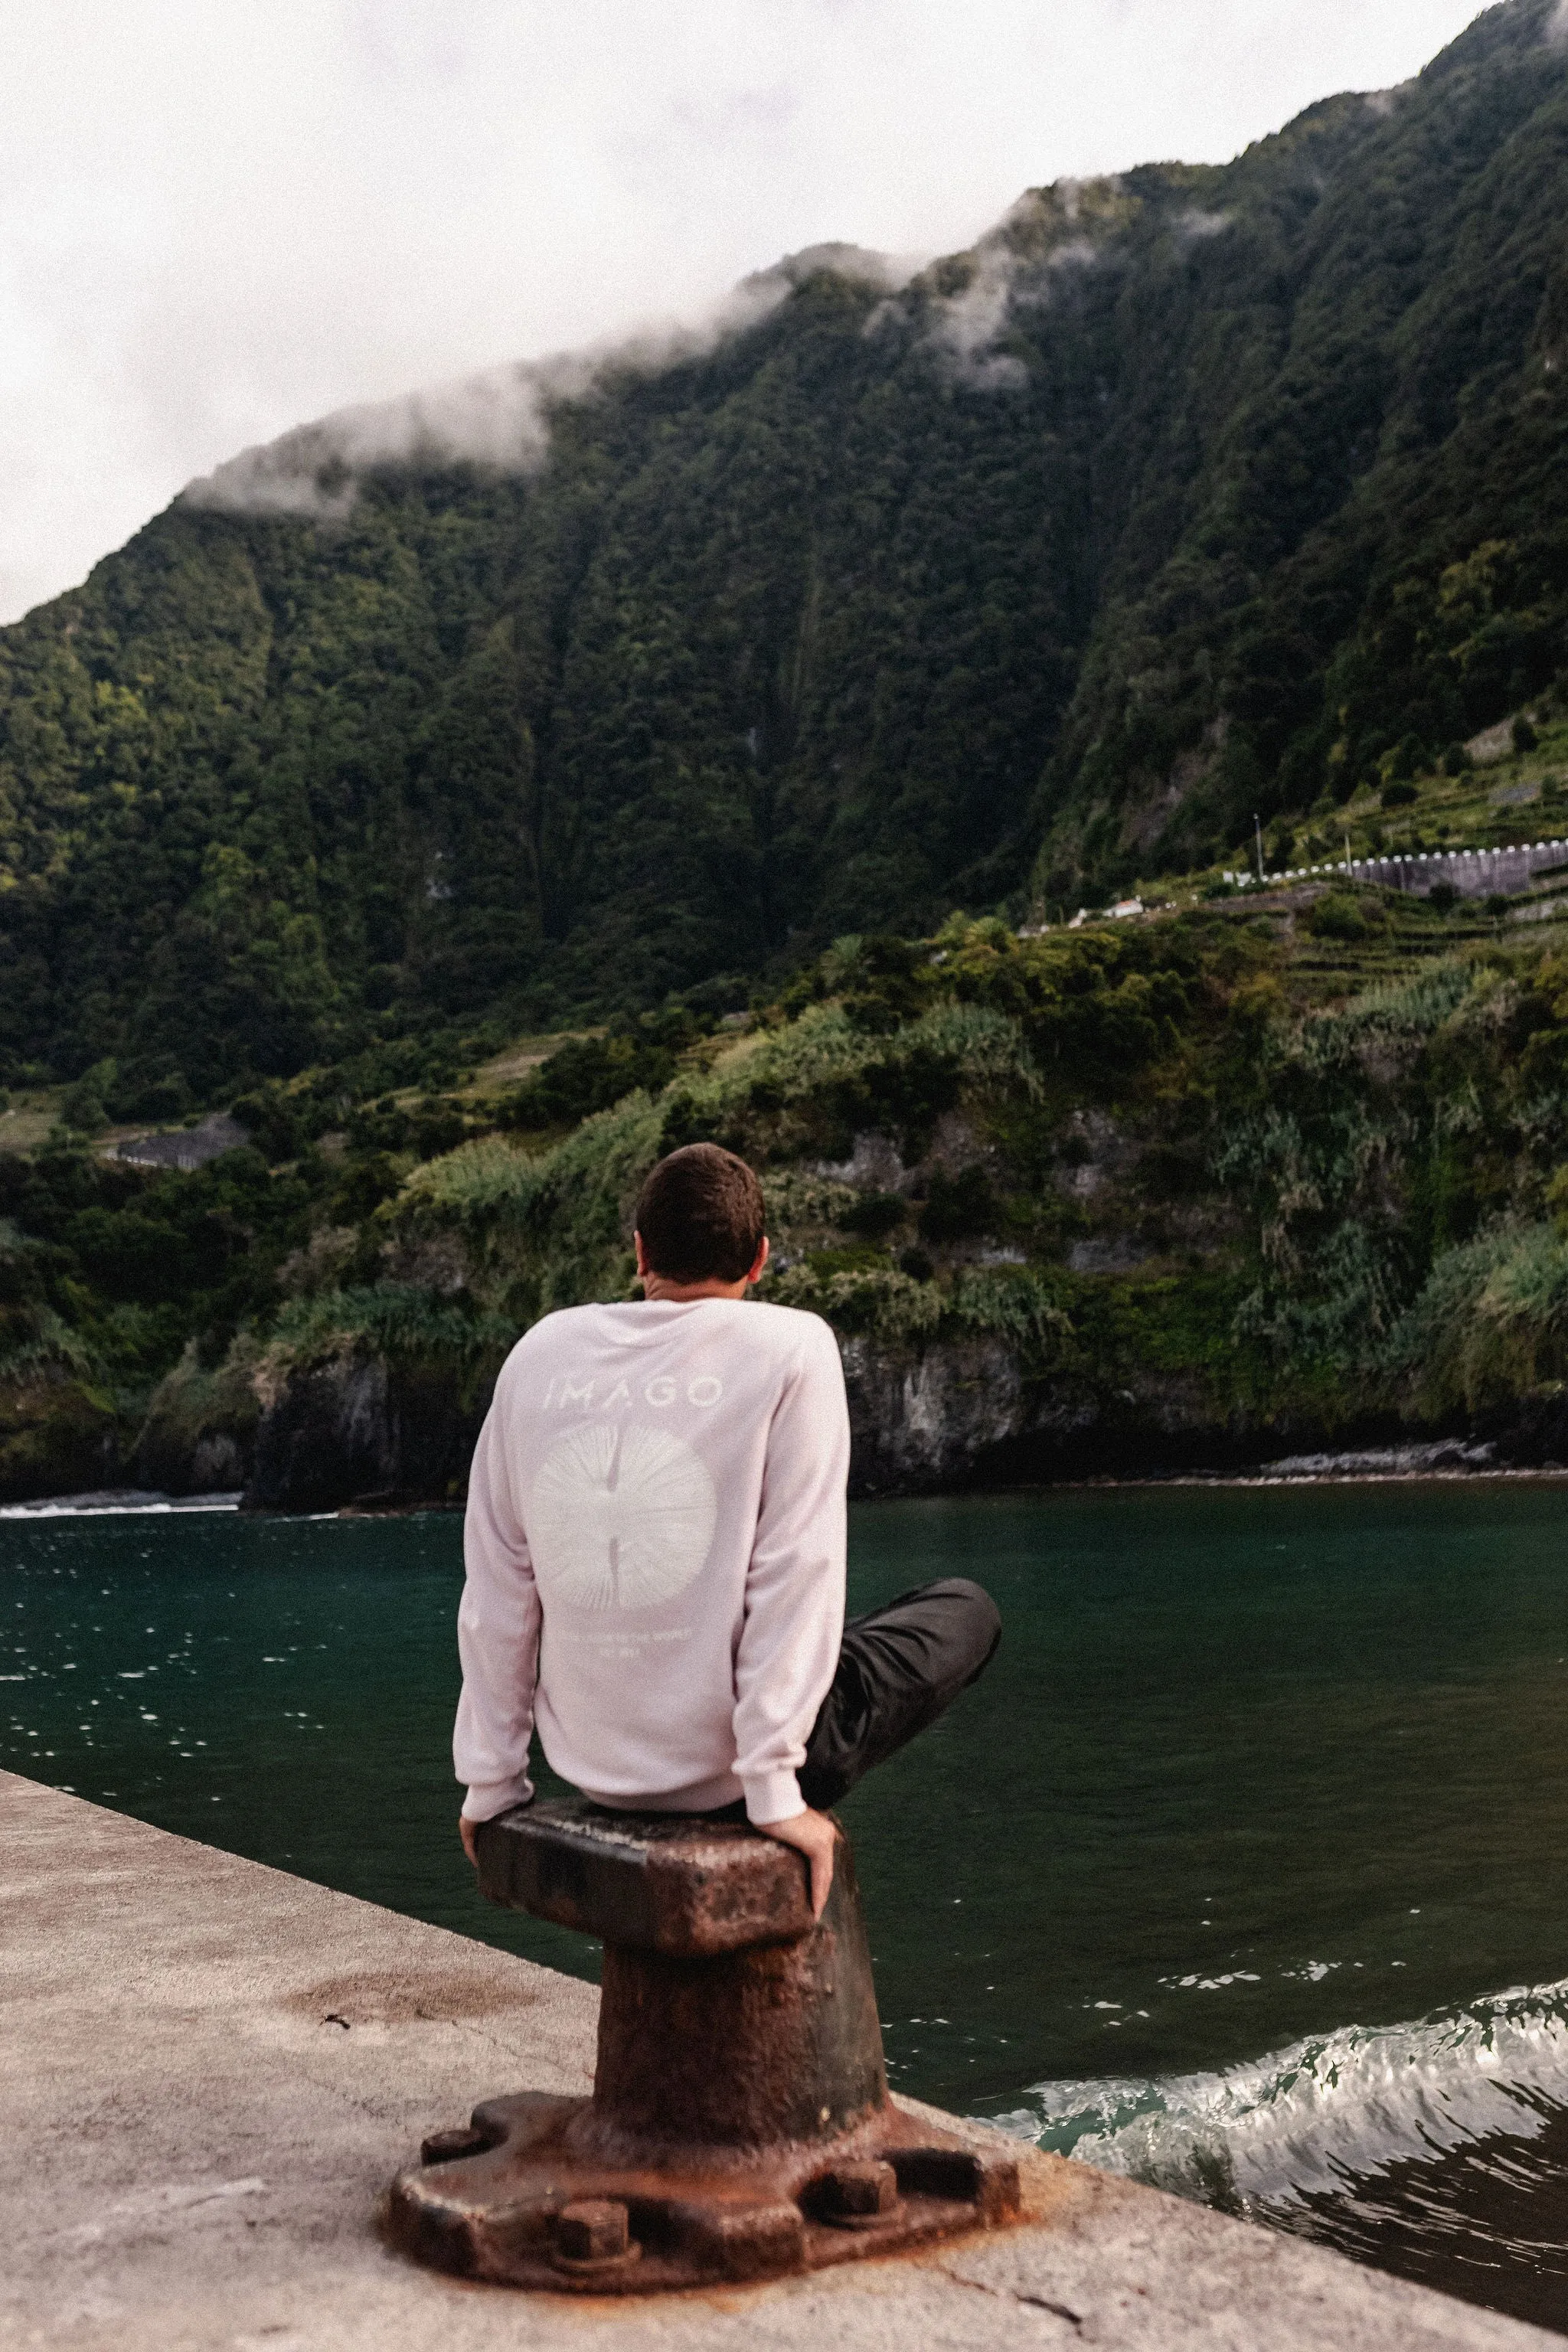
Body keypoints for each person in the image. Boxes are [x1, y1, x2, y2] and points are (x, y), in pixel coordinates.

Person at [453, 1141, 1000, 1916]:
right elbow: (794, 1568)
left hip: (600, 1768)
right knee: (962, 1608)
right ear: (760, 1259)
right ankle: (772, 1745)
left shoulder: (538, 1352)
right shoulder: (791, 1345)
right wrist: (774, 1791)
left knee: (824, 1633)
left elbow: (499, 1588)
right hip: (735, 1773)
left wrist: (491, 1783)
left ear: (640, 1250)